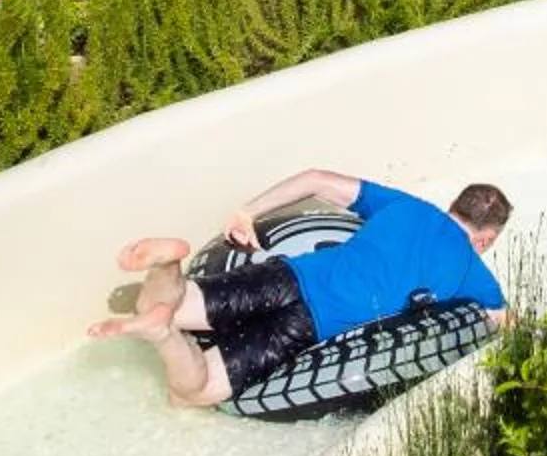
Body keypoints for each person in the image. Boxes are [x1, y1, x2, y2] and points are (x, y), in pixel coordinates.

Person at [88, 170, 512, 408]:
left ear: (456, 204)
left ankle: (168, 266)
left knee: (170, 303)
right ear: (486, 238)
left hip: (288, 274)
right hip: (309, 326)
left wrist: (247, 212)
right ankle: (162, 335)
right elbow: (504, 324)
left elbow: (316, 179)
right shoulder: (473, 272)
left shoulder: (405, 205)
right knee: (192, 392)